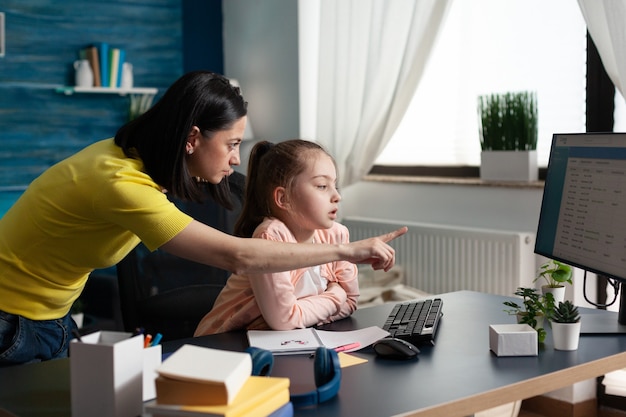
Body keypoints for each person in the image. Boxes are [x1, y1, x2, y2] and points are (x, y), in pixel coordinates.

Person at [0, 71, 406, 366]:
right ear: (192, 138)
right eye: (230, 143)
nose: (235, 157)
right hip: (12, 320)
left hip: (49, 318)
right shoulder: (120, 184)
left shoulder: (134, 164)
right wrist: (350, 251)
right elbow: (239, 257)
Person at [195, 140, 359, 335]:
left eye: (335, 186)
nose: (336, 196)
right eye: (322, 186)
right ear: (283, 198)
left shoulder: (336, 234)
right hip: (226, 343)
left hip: (284, 340)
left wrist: (305, 316)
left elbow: (351, 302)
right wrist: (336, 295)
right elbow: (286, 319)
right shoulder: (271, 236)